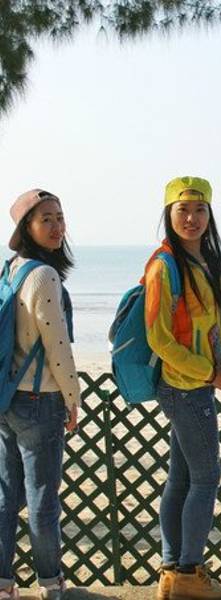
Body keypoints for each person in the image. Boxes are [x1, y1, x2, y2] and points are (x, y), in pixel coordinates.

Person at [145, 176, 221, 600]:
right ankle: (188, 572)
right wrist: (209, 374)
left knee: (181, 477)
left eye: (199, 209)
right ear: (168, 214)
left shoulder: (205, 261)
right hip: (184, 386)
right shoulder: (164, 266)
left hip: (197, 383)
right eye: (182, 210)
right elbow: (160, 339)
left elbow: (212, 325)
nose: (191, 218)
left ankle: (172, 572)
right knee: (206, 478)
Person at [0, 190, 80, 600]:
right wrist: (73, 397)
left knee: (5, 496)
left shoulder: (11, 270)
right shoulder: (44, 275)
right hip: (40, 399)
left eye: (59, 217)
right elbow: (57, 345)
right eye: (45, 218)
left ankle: (3, 583)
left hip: (7, 398)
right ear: (26, 227)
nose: (56, 226)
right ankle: (50, 582)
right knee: (43, 500)